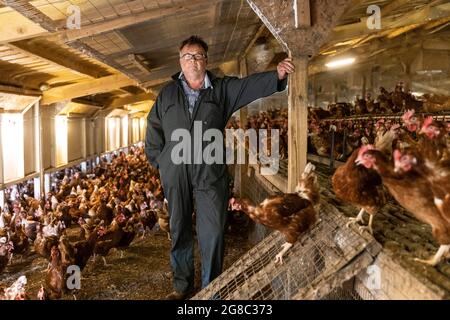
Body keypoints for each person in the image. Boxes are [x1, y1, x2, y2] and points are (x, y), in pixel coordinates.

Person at [145, 35, 295, 300]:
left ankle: (211, 287)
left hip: (209, 169)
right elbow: (154, 125)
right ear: (180, 62)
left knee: (213, 230)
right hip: (176, 169)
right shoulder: (167, 93)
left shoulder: (221, 89)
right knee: (178, 228)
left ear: (206, 61)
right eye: (187, 57)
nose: (193, 61)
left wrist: (277, 75)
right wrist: (160, 160)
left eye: (198, 56)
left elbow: (248, 86)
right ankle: (182, 286)